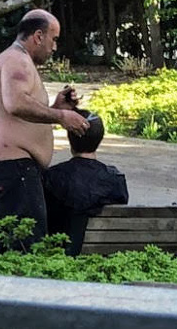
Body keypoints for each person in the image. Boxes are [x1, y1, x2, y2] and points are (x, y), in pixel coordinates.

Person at [0, 9, 89, 252]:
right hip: (12, 170)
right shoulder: (17, 60)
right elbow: (15, 103)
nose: (54, 47)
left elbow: (19, 112)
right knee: (27, 252)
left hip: (1, 169)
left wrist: (56, 108)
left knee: (2, 252)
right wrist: (61, 116)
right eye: (53, 39)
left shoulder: (11, 59)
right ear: (38, 36)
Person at [43, 109, 129, 256]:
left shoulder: (52, 177)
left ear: (70, 138)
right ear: (100, 139)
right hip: (102, 258)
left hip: (58, 257)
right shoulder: (114, 180)